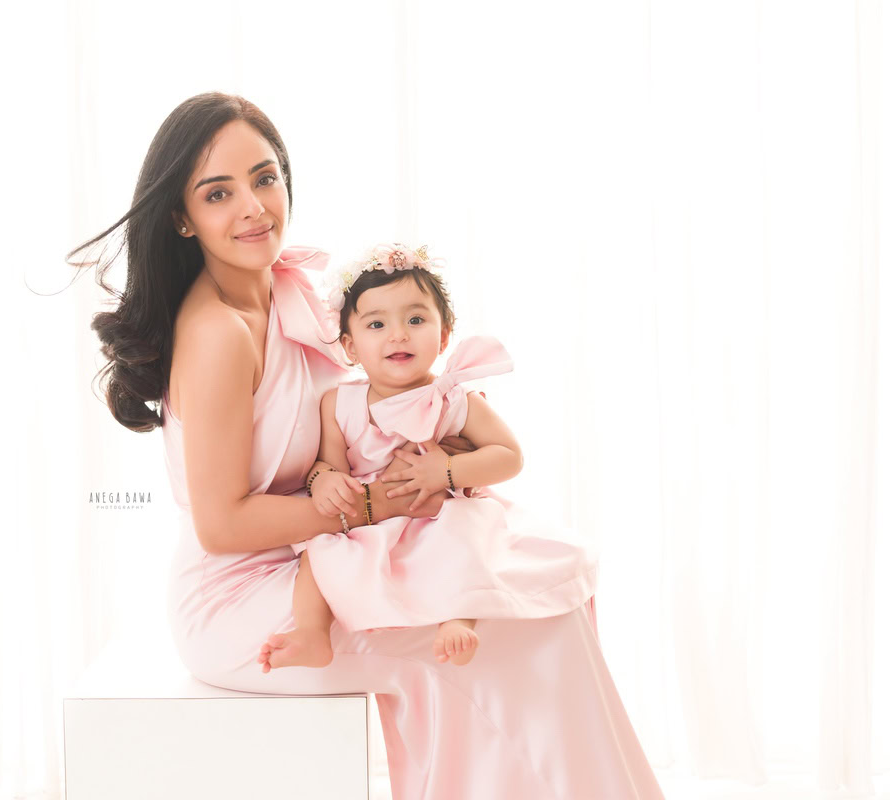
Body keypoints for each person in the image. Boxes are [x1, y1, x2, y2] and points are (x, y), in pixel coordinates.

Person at [77, 91, 664, 799]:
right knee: (523, 628)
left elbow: (362, 402)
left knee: (544, 590)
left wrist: (438, 443)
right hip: (247, 598)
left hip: (330, 552)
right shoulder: (217, 336)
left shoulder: (282, 287)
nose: (253, 208)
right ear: (181, 216)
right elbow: (223, 523)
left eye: (265, 178)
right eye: (218, 193)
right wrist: (386, 500)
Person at [257, 243, 599, 673]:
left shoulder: (454, 398)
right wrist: (323, 482)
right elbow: (327, 464)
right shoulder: (338, 403)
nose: (398, 334)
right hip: (374, 521)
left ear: (442, 336)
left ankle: (457, 618)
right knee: (318, 553)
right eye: (377, 324)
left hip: (436, 516)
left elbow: (508, 455)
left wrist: (447, 470)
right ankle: (311, 632)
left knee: (466, 537)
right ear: (350, 345)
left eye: (415, 320)